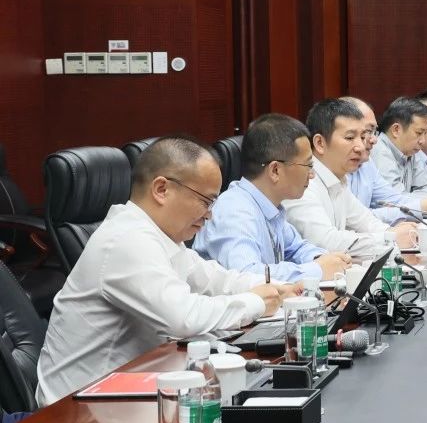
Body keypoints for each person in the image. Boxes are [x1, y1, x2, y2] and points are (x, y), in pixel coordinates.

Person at [36, 137, 295, 405]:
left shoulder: (159, 235)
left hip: (130, 388)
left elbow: (213, 279)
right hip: (76, 406)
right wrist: (255, 302)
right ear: (161, 189)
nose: (210, 215)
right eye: (206, 201)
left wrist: (278, 288)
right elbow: (183, 317)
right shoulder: (126, 239)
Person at [195, 114, 351, 282]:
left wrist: (325, 260)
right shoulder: (234, 211)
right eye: (308, 165)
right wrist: (317, 269)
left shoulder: (270, 206)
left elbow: (296, 248)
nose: (312, 174)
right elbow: (248, 275)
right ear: (275, 170)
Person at [284, 98, 418, 260]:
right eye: (349, 138)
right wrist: (390, 238)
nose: (360, 147)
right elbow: (325, 241)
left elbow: (366, 222)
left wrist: (393, 232)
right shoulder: (303, 182)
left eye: (362, 137)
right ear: (320, 143)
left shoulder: (338, 179)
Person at [342, 96, 427, 222]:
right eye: (351, 136)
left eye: (372, 131)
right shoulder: (378, 153)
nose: (374, 140)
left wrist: (426, 206)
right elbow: (355, 220)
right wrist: (424, 206)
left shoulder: (368, 163)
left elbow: (394, 199)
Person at [370, 97, 427, 208]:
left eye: (425, 133)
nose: (422, 140)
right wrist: (426, 202)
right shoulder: (379, 152)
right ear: (396, 130)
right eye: (419, 133)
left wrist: (417, 198)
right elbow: (395, 202)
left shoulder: (410, 150)